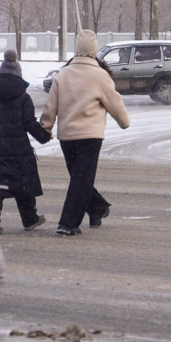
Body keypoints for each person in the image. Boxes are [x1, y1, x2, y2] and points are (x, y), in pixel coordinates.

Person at [41, 29, 130, 236]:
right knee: (81, 180)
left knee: (79, 179)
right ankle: (74, 221)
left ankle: (85, 214)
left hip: (67, 137)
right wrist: (124, 122)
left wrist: (46, 127)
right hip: (91, 137)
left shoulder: (62, 75)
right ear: (94, 50)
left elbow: (50, 106)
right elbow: (115, 103)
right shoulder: (100, 75)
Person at [0, 49, 52, 235]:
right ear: (18, 75)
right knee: (23, 182)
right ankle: (30, 219)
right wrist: (44, 136)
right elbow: (29, 123)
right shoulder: (23, 98)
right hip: (19, 150)